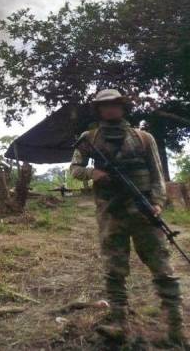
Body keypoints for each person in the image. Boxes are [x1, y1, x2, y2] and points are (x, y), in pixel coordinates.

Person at [70, 89, 185, 346]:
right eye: (105, 105)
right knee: (114, 270)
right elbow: (74, 169)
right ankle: (119, 323)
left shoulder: (144, 138)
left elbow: (157, 176)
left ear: (123, 107)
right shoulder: (89, 139)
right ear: (98, 109)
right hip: (111, 213)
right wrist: (92, 173)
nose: (110, 109)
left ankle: (176, 327)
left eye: (115, 105)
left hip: (144, 214)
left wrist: (157, 203)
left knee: (163, 269)